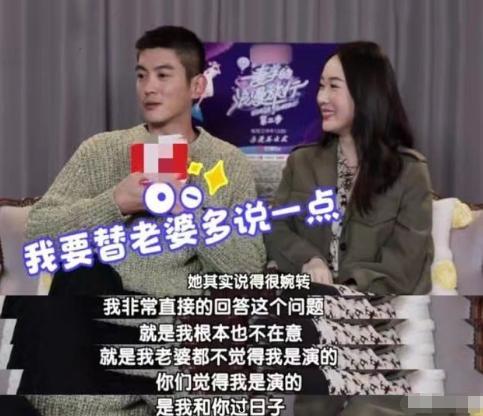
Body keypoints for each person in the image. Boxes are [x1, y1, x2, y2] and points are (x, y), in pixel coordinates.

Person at [14, 25, 266, 414]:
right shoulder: (101, 151)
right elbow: (39, 230)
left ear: (197, 86)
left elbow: (247, 270)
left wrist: (192, 213)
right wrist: (115, 202)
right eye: (141, 75)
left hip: (174, 332)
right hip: (93, 321)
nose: (149, 87)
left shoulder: (227, 162)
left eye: (163, 75)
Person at [265, 41, 433, 296]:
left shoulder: (409, 172)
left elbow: (405, 263)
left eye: (334, 86)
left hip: (372, 305)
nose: (322, 97)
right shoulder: (301, 162)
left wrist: (345, 289)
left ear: (366, 93)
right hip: (306, 298)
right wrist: (309, 260)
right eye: (321, 86)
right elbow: (275, 226)